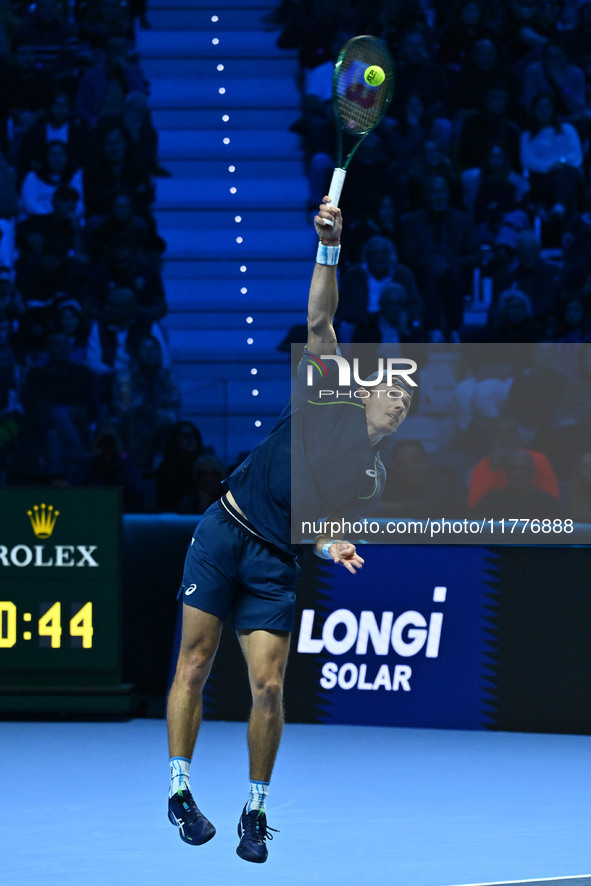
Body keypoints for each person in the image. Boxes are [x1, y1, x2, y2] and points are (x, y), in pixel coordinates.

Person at [165, 198, 414, 863]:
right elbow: (320, 317)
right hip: (225, 532)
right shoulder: (326, 388)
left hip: (275, 561)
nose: (400, 404)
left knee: (269, 688)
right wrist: (329, 246)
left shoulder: (372, 478)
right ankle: (180, 792)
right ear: (367, 394)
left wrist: (333, 541)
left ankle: (255, 809)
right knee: (193, 662)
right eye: (394, 393)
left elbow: (327, 522)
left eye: (408, 404)